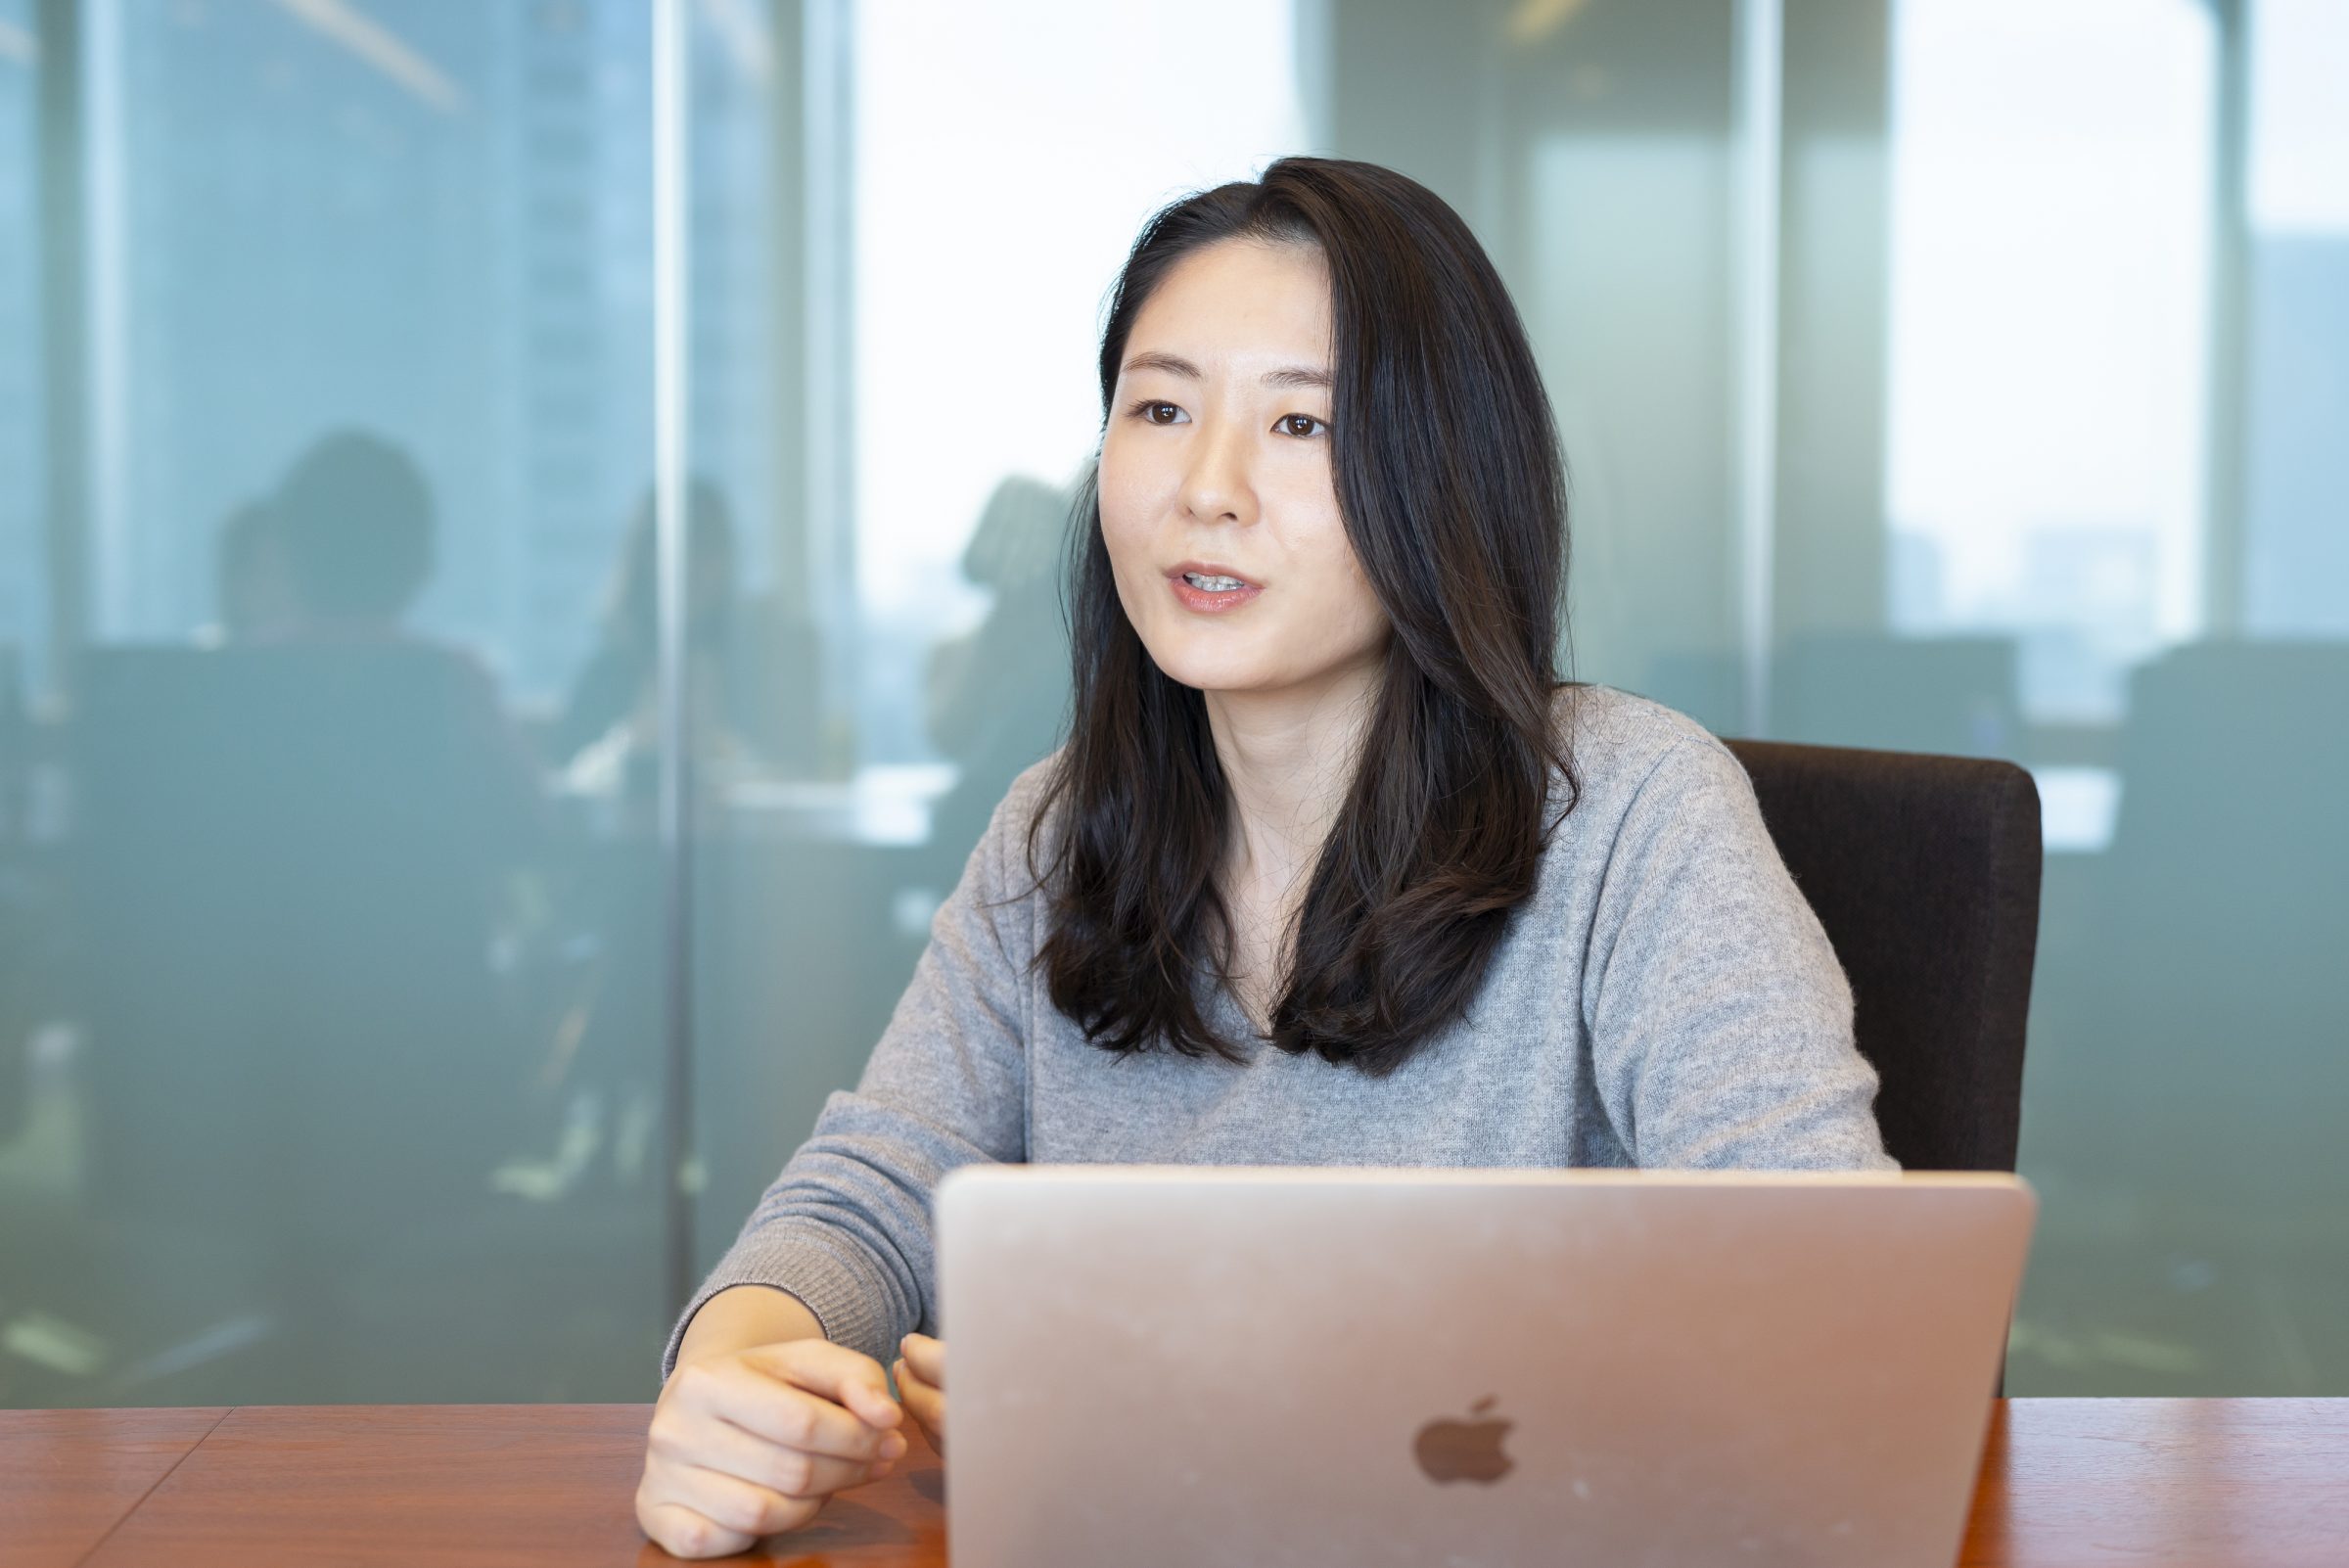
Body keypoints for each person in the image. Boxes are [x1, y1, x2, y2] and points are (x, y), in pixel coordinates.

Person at [634, 156, 1898, 1558]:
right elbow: (874, 1189)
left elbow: (1825, 1323)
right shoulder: (1058, 828)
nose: (1208, 488)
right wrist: (738, 1364)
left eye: (1301, 423)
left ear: (1442, 473)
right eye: (1161, 408)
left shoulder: (1631, 810)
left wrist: (1173, 1421)